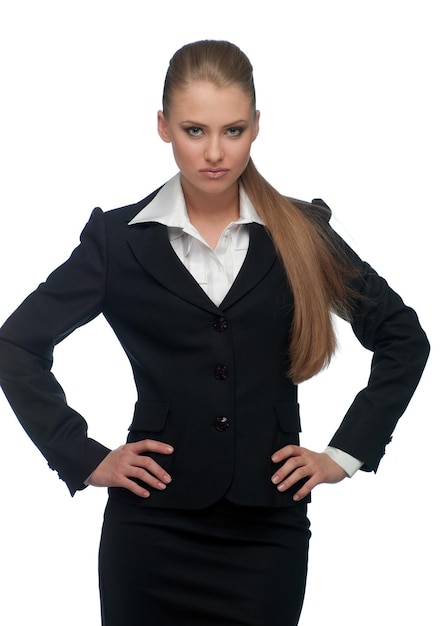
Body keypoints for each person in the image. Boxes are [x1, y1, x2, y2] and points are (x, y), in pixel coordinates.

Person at [0, 40, 429, 626]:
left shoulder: (303, 232)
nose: (214, 152)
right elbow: (16, 345)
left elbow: (403, 337)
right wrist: (81, 455)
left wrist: (344, 454)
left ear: (256, 127)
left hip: (266, 532)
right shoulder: (118, 241)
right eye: (194, 130)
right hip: (150, 529)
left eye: (232, 131)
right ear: (163, 127)